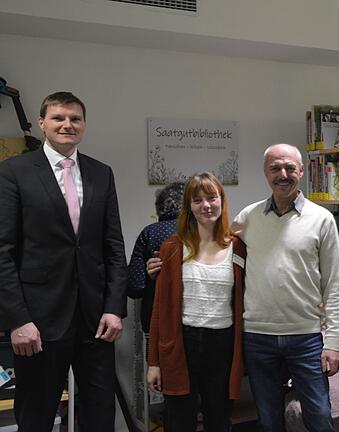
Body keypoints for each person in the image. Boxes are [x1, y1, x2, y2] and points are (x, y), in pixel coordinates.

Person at [0, 91, 127, 431]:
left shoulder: (102, 173)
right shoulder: (14, 172)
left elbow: (113, 245)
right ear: (42, 123)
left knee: (100, 415)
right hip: (38, 321)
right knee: (37, 415)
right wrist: (17, 320)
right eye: (59, 118)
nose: (67, 125)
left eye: (75, 119)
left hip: (96, 320)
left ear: (84, 125)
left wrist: (115, 307)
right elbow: (2, 251)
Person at [232, 143, 339, 432]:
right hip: (258, 338)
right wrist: (166, 262)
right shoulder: (247, 218)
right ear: (265, 173)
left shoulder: (322, 220)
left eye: (290, 168)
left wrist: (332, 343)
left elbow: (333, 285)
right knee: (268, 420)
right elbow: (214, 252)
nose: (283, 174)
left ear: (302, 171)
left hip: (306, 338)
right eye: (275, 168)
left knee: (319, 416)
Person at [146, 172, 244, 431]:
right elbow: (160, 311)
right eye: (197, 200)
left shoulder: (238, 247)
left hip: (222, 345)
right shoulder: (172, 248)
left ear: (221, 201)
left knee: (219, 420)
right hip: (181, 344)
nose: (206, 205)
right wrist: (153, 362)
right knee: (179, 421)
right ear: (188, 206)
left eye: (212, 198)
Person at [127, 181, 185, 334]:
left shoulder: (149, 233)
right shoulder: (202, 231)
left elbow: (135, 287)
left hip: (157, 320)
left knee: (155, 358)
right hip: (195, 322)